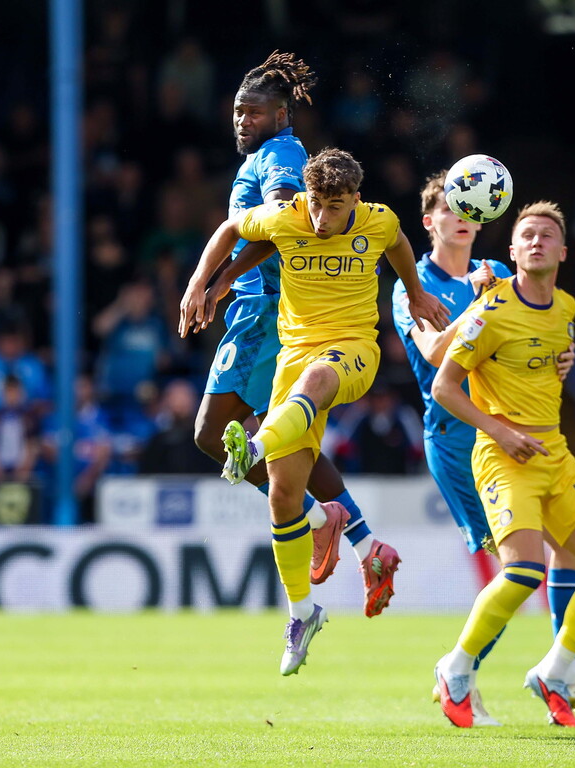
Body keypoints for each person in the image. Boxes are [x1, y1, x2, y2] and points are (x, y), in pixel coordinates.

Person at [181, 147, 449, 676]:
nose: (323, 218)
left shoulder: (376, 220)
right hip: (294, 358)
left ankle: (253, 446)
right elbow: (230, 229)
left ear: (356, 198)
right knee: (283, 495)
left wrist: (415, 293)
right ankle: (303, 613)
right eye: (317, 205)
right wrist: (201, 282)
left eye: (336, 206)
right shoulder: (286, 216)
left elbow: (398, 241)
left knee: (316, 380)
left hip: (352, 351)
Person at [392, 173, 575, 726]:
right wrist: (479, 305)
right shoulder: (419, 285)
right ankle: (461, 674)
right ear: (429, 222)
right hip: (462, 439)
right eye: (450, 208)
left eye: (469, 208)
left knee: (573, 553)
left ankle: (565, 666)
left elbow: (542, 328)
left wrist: (564, 355)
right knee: (516, 570)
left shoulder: (504, 276)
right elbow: (435, 357)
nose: (461, 217)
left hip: (538, 442)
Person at [178, 52, 402, 619]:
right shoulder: (265, 154)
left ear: (281, 115)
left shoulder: (280, 156)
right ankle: (362, 541)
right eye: (237, 111)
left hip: (267, 311)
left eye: (253, 113)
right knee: (287, 445)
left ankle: (323, 519)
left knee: (213, 432)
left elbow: (282, 225)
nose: (242, 121)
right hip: (266, 311)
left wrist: (218, 281)